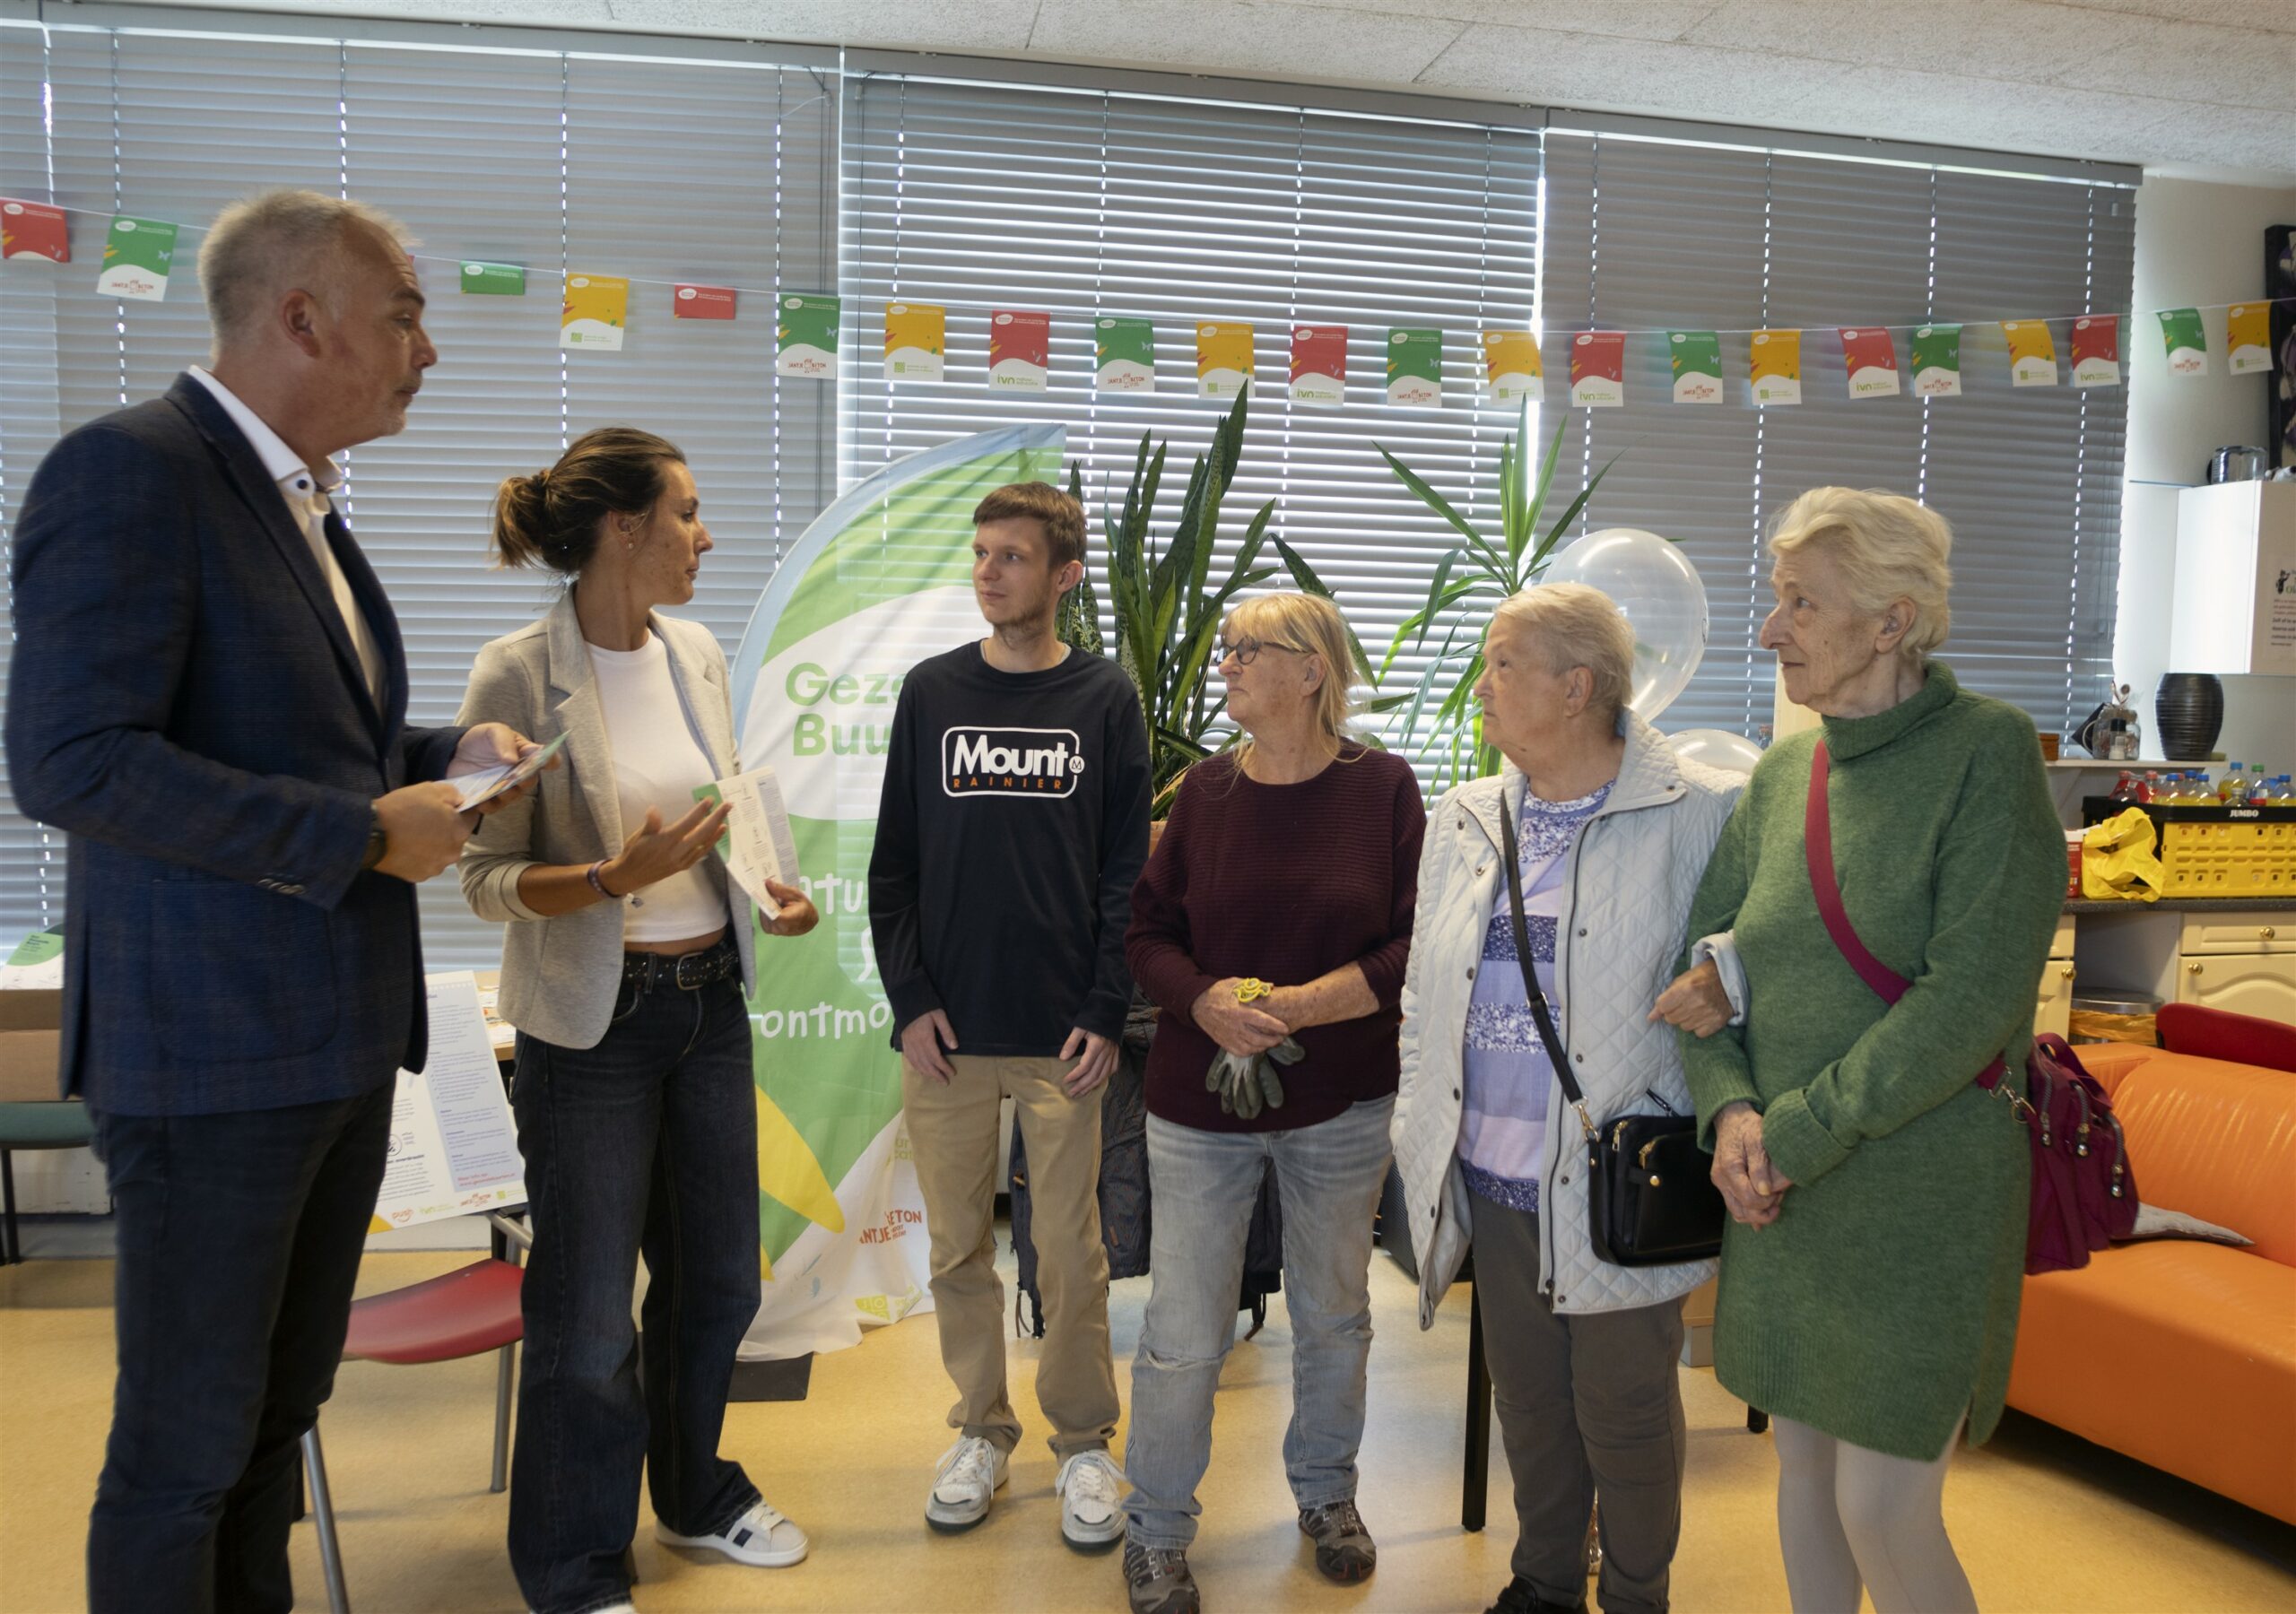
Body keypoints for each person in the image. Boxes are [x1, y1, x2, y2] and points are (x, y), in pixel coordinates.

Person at [4, 189, 547, 1613]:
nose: (426, 353)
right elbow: (72, 759)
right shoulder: (131, 474)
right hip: (207, 1062)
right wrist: (364, 835)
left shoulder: (303, 505)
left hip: (332, 1049)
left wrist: (447, 758)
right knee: (187, 1452)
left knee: (271, 1423)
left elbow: (318, 742)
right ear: (302, 318)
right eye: (407, 317)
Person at [1661, 487, 2065, 1614]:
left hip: (1917, 1198)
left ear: (1892, 622)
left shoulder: (1986, 757)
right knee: (1804, 1474)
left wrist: (1785, 1134)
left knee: (1886, 1507)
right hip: (1782, 1194)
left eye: (1801, 602)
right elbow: (1703, 979)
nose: (1771, 627)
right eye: (1775, 598)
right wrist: (1730, 1117)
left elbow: (1966, 1005)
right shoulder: (1787, 774)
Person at [457, 428, 820, 1614]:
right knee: (586, 1316)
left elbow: (726, 795)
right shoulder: (516, 672)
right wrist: (614, 878)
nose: (703, 536)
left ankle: (697, 1493)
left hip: (708, 1005)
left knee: (718, 1279)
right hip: (592, 1031)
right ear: (625, 528)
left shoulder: (697, 652)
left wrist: (775, 879)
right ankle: (573, 1563)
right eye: (688, 513)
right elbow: (484, 880)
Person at [1390, 584, 1740, 1614]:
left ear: (1575, 686)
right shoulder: (1462, 815)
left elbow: (1770, 940)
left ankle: (1636, 1594)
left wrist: (1727, 971)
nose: (1482, 685)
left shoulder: (1699, 808)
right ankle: (1543, 1582)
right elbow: (1424, 987)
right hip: (1492, 1165)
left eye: (1504, 664)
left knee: (1623, 1407)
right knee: (1532, 1405)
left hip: (1614, 1173)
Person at [1117, 590, 1423, 1614]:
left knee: (1335, 1316)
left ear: (1312, 671)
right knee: (1182, 1329)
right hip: (1197, 1111)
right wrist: (1203, 1000)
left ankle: (1327, 1497)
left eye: (1251, 651)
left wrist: (1299, 1006)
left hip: (1340, 1102)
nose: (1228, 665)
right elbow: (1147, 933)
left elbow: (1411, 942)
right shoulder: (1202, 794)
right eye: (1227, 649)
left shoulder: (1383, 789)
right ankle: (1156, 1530)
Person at [867, 482, 1152, 1549]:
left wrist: (1102, 1007)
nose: (988, 572)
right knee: (954, 1252)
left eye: (1013, 557)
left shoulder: (1103, 698)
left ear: (1063, 575)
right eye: (981, 554)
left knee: (1071, 1255)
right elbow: (892, 868)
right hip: (946, 1037)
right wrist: (910, 1003)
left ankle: (1083, 1444)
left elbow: (1128, 871)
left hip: (1062, 1039)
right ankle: (980, 1431)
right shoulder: (931, 692)